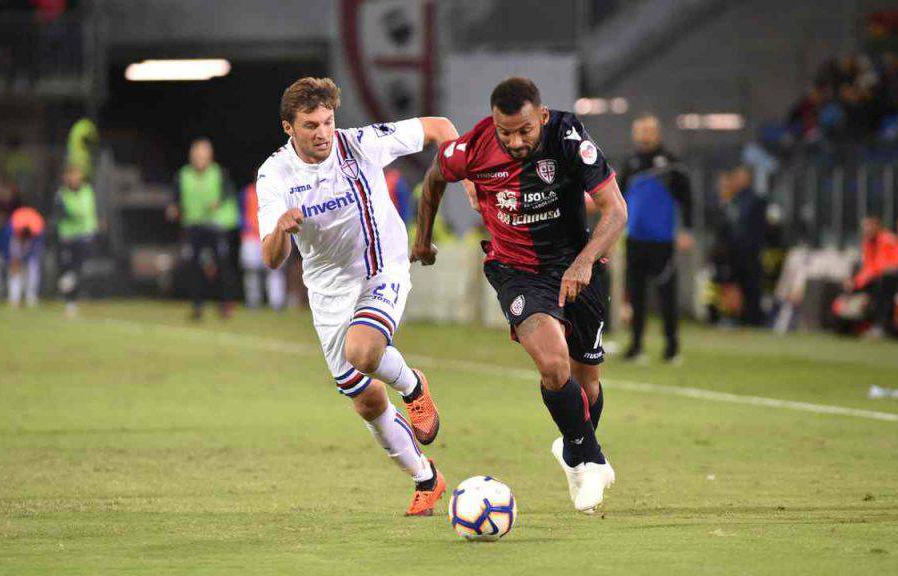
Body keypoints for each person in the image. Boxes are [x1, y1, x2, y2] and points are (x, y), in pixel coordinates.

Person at [413, 77, 626, 513]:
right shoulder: (470, 150)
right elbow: (434, 180)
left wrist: (584, 262)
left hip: (577, 265)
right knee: (552, 362)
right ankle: (590, 457)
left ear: (542, 117)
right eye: (504, 131)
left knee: (587, 382)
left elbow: (615, 209)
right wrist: (423, 240)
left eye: (524, 130)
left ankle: (572, 452)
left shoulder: (567, 136)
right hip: (516, 270)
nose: (514, 140)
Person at [257, 77, 460, 516]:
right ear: (288, 128)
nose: (323, 133)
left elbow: (440, 127)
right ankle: (427, 477)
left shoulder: (361, 144)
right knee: (366, 400)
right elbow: (272, 258)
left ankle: (413, 386)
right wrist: (281, 229)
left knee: (364, 351)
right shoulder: (273, 175)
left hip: (381, 268)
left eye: (328, 121)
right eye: (310, 124)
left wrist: (473, 183)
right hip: (328, 293)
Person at [618, 114, 694, 364]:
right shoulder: (629, 164)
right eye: (640, 131)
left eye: (649, 130)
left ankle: (672, 348)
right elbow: (617, 201)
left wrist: (687, 230)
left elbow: (687, 199)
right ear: (634, 134)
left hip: (663, 240)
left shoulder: (672, 164)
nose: (645, 135)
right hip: (635, 239)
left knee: (667, 296)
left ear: (658, 133)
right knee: (635, 296)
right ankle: (636, 346)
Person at [167, 138, 234, 320]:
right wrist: (174, 207)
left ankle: (225, 304)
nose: (199, 158)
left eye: (202, 154)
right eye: (196, 154)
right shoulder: (183, 174)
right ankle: (197, 305)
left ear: (209, 156)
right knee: (193, 267)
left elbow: (228, 194)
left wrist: (218, 202)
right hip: (192, 227)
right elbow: (176, 197)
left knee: (221, 265)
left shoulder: (219, 173)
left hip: (215, 226)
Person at [831, 216, 898, 336]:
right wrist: (854, 281)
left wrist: (862, 280)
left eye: (868, 226)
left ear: (877, 226)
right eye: (864, 227)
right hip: (871, 278)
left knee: (881, 284)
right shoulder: (867, 242)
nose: (866, 230)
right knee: (845, 287)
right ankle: (845, 324)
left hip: (887, 279)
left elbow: (886, 265)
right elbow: (867, 267)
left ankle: (880, 326)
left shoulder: (888, 240)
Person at [718, 166, 767, 326]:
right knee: (732, 284)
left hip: (750, 251)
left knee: (751, 285)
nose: (737, 180)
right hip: (733, 251)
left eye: (741, 177)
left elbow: (758, 228)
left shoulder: (755, 200)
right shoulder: (732, 200)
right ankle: (734, 316)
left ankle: (752, 318)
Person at [52, 164, 98, 316]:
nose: (73, 178)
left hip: (84, 235)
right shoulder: (62, 193)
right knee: (66, 268)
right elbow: (61, 213)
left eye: (76, 174)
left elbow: (84, 211)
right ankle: (69, 301)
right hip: (67, 236)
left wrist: (74, 214)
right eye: (70, 175)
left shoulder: (87, 191)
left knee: (78, 268)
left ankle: (72, 299)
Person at [240, 179, 286, 310]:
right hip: (251, 237)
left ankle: (276, 302)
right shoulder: (247, 192)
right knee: (251, 271)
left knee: (275, 270)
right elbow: (240, 212)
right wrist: (245, 226)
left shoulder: (277, 192)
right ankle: (253, 301)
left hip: (271, 236)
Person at [6, 206, 45, 308]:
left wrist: (30, 250)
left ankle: (31, 297)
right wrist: (17, 255)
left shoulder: (37, 227)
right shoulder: (15, 226)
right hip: (17, 235)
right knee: (15, 267)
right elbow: (12, 239)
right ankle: (14, 297)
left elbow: (37, 244)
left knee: (33, 267)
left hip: (34, 239)